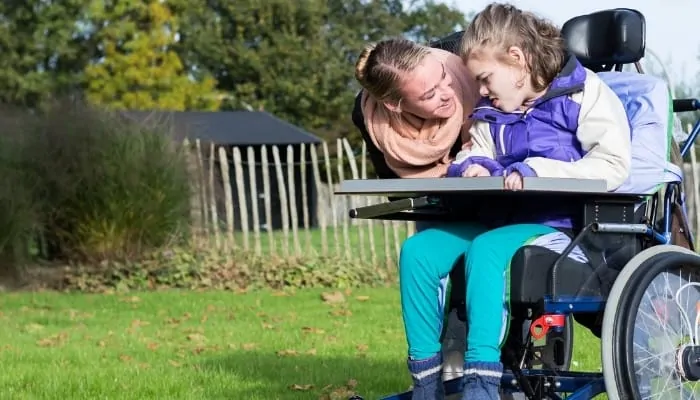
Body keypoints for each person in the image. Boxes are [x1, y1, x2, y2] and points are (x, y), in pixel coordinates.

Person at [398, 3, 632, 400]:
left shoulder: (584, 92)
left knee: (489, 250)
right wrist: (472, 166)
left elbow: (613, 165)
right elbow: (476, 154)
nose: (482, 91)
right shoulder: (491, 110)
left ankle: (481, 382)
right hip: (497, 221)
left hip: (561, 228)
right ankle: (426, 382)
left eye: (486, 79)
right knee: (419, 251)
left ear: (517, 59)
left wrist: (537, 169)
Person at [352, 37, 483, 382]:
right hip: (438, 198)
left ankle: (471, 358)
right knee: (422, 255)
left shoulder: (467, 62)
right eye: (428, 95)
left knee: (479, 260)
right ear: (394, 105)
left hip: (497, 193)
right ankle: (429, 374)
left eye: (441, 77)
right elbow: (395, 184)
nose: (446, 92)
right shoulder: (370, 117)